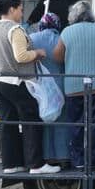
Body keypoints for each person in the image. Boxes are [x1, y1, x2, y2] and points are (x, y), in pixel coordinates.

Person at [0, 0, 60, 175]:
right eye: (20, 9)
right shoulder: (15, 29)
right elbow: (21, 56)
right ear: (11, 9)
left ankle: (11, 164)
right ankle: (36, 164)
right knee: (31, 120)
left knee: (8, 123)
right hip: (15, 81)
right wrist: (38, 53)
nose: (22, 13)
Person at [53, 1, 95, 169]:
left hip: (73, 86)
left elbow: (57, 57)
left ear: (73, 15)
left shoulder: (67, 32)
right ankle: (93, 160)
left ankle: (79, 160)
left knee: (76, 123)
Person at [29, 13, 71, 166]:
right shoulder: (61, 39)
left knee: (45, 119)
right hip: (60, 85)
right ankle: (63, 156)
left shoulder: (32, 38)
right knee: (62, 121)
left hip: (40, 86)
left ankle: (47, 156)